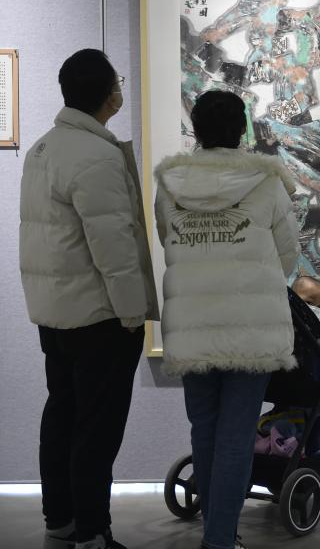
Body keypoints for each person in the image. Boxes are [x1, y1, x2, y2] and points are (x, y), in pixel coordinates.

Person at [19, 48, 159, 549]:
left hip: (55, 312)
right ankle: (93, 531)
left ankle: (60, 519)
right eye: (117, 83)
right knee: (96, 428)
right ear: (106, 94)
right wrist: (132, 312)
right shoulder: (96, 155)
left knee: (62, 414)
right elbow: (113, 246)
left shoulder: (43, 148)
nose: (121, 91)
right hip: (99, 316)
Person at [154, 90, 299, 549]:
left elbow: (167, 239)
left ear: (195, 130)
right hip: (251, 326)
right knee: (236, 437)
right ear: (242, 130)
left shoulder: (171, 182)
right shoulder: (267, 181)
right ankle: (219, 539)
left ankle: (215, 534)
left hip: (192, 324)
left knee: (205, 432)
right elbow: (289, 253)